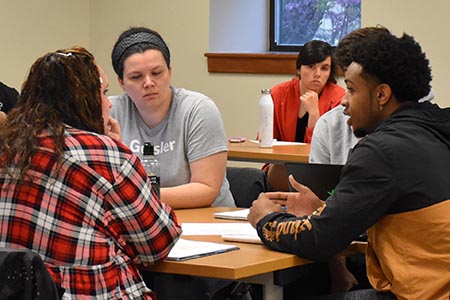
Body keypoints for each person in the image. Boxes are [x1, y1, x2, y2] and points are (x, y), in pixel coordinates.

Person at [249, 30, 450, 300]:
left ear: (382, 95)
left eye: (352, 90)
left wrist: (266, 219)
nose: (343, 101)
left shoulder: (382, 151)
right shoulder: (435, 128)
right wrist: (325, 208)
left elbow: (319, 240)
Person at [0, 46, 182, 299]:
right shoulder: (107, 156)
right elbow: (157, 243)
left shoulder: (7, 146)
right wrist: (115, 149)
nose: (108, 103)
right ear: (83, 98)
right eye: (103, 92)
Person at [109, 27, 234, 210]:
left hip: (205, 219)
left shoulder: (198, 109)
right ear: (121, 83)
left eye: (157, 73)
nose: (149, 83)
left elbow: (206, 189)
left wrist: (136, 196)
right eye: (136, 77)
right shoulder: (111, 111)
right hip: (141, 220)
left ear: (170, 71)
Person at [266, 40, 345, 191]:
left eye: (324, 68)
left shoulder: (339, 98)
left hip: (322, 169)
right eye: (311, 67)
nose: (317, 74)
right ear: (298, 69)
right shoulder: (279, 93)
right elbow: (267, 139)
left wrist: (314, 114)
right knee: (278, 169)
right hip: (283, 167)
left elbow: (326, 150)